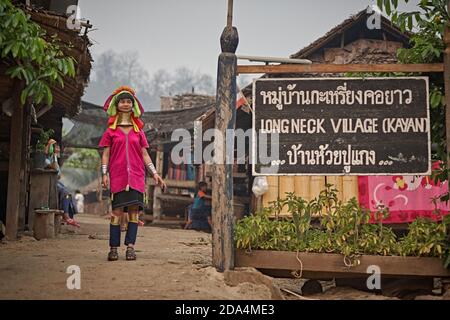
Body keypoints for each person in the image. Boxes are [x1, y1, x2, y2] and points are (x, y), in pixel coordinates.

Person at [99, 86, 166, 261]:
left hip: (136, 177)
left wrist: (155, 173)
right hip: (118, 176)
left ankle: (130, 247)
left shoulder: (139, 132)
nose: (126, 104)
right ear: (117, 104)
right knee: (117, 213)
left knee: (134, 213)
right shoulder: (111, 131)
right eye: (122, 101)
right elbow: (105, 153)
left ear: (133, 105)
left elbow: (144, 154)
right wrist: (104, 174)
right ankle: (113, 248)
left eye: (129, 101)